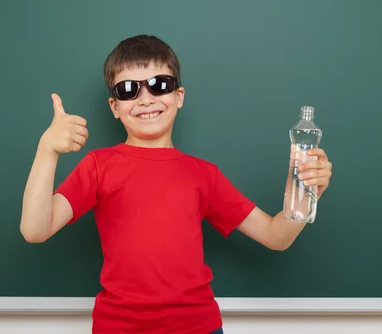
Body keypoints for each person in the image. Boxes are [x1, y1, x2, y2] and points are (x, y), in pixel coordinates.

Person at [19, 35, 333, 334]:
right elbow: (35, 230)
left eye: (159, 85)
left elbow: (276, 236)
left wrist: (306, 193)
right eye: (129, 89)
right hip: (119, 327)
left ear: (178, 96)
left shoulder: (204, 175)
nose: (145, 99)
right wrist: (47, 150)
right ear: (115, 107)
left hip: (198, 326)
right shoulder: (99, 166)